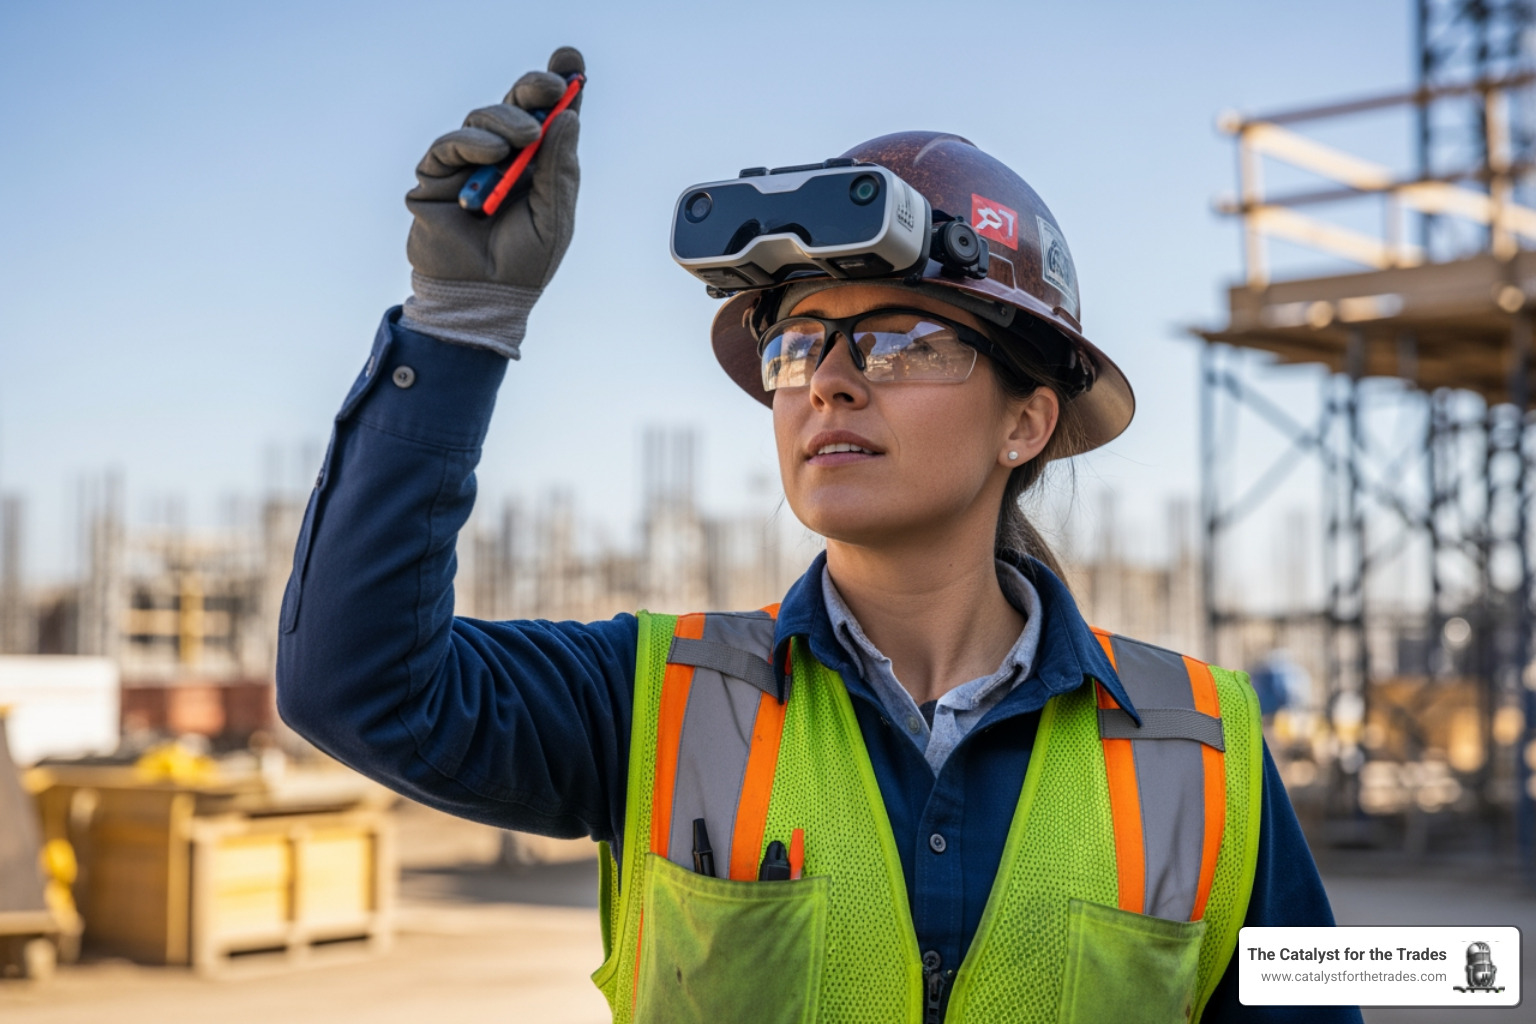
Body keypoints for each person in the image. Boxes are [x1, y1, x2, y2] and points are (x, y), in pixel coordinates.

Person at [276, 47, 1362, 1024]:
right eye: (800, 344)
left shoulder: (1205, 748)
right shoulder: (654, 701)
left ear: (1026, 421)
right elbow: (356, 683)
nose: (829, 383)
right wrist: (460, 321)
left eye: (898, 341)